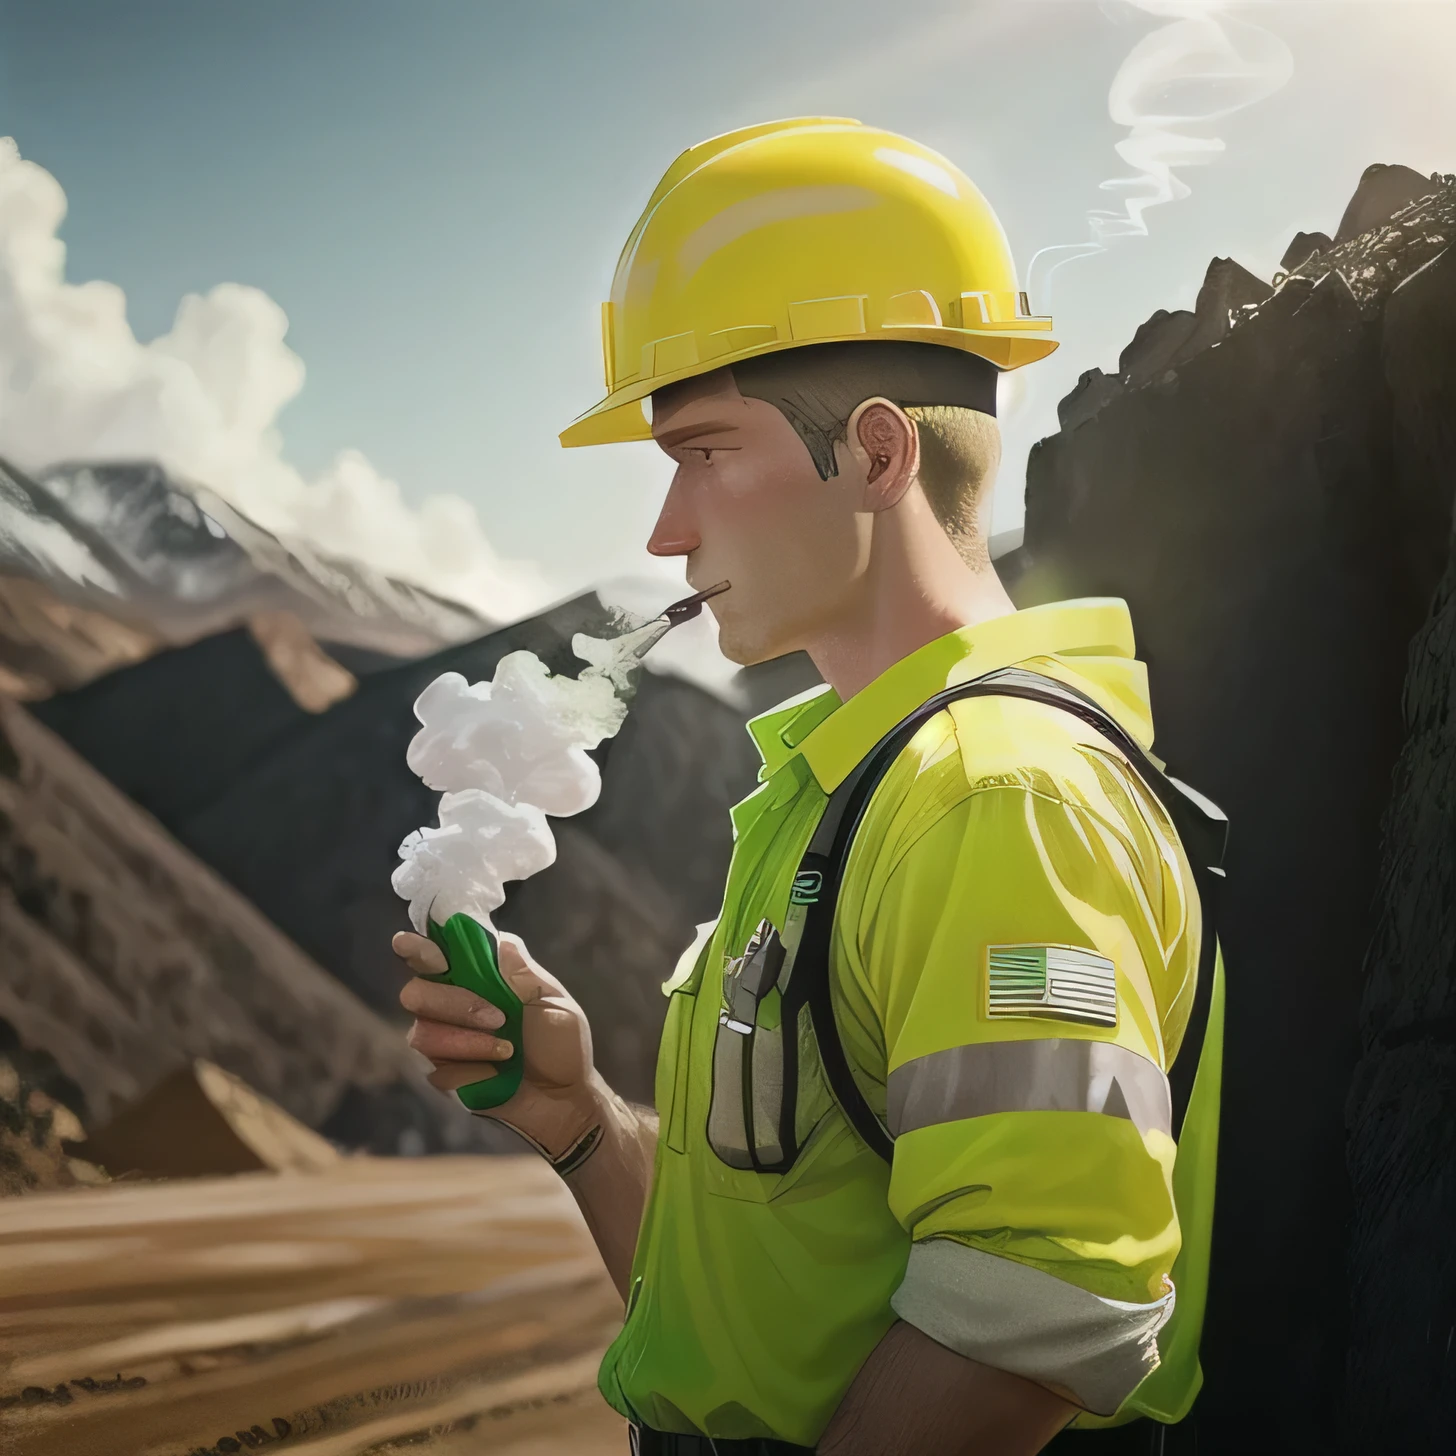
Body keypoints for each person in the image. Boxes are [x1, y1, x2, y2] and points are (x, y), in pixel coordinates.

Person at [393, 119, 1220, 1456]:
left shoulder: (994, 799)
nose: (666, 528)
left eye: (706, 452)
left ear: (878, 456)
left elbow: (1043, 1301)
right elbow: (771, 1319)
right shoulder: (859, 791)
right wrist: (583, 1122)